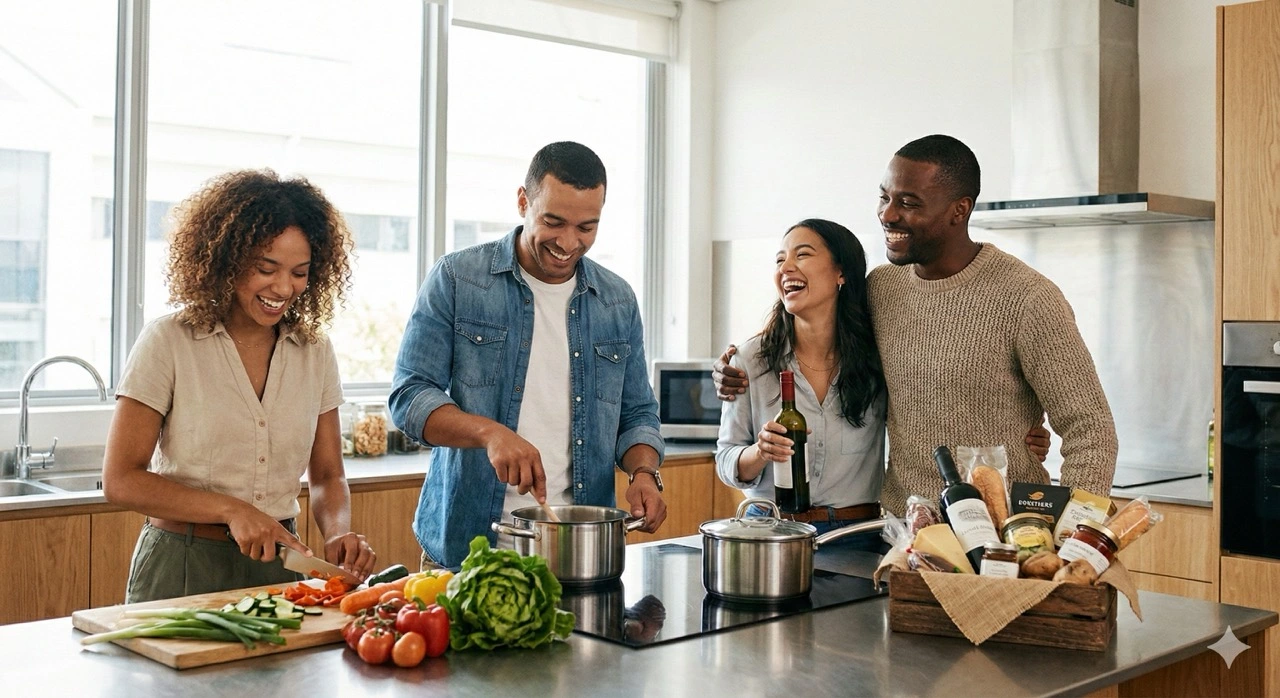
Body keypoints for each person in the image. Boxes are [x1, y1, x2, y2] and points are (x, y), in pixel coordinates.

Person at [716, 134, 1116, 517]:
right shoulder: (881, 290)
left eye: (908, 202)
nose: (888, 214)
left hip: (998, 534)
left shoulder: (1027, 298)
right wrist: (732, 371)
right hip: (896, 533)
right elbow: (813, 332)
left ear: (959, 210)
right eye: (884, 197)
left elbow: (1090, 428)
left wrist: (1074, 532)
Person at [103, 169, 377, 603]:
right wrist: (232, 511)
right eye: (266, 268)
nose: (283, 288)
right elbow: (121, 480)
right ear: (228, 259)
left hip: (281, 568)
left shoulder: (314, 350)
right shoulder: (169, 340)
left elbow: (327, 475)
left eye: (299, 272)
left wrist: (338, 531)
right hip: (183, 562)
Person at [390, 141, 667, 569]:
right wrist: (490, 433)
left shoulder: (617, 300)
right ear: (523, 200)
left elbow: (637, 414)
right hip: (468, 554)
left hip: (578, 556)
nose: (568, 242)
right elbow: (409, 398)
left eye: (587, 227)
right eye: (553, 221)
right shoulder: (458, 279)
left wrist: (644, 473)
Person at [716, 219, 887, 550]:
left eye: (802, 255)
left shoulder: (877, 360)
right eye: (780, 260)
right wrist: (759, 452)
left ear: (841, 273)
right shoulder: (751, 359)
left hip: (856, 536)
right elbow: (726, 459)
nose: (786, 267)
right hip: (769, 533)